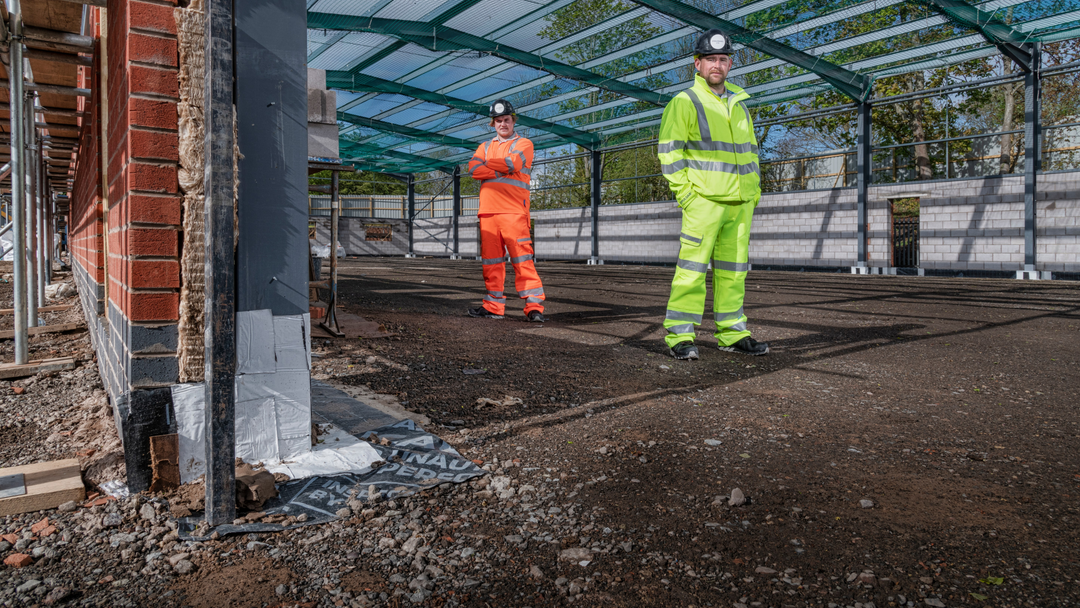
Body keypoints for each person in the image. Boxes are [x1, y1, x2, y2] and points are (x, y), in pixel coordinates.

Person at [657, 29, 769, 360]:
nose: (716, 65)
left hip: (740, 202)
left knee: (734, 273)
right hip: (704, 202)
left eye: (722, 59)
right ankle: (680, 336)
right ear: (697, 64)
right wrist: (688, 196)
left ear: (730, 63)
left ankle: (733, 333)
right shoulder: (684, 102)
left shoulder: (740, 104)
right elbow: (669, 153)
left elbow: (751, 153)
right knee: (692, 270)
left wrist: (754, 193)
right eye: (709, 60)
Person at [466, 99, 547, 322]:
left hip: (513, 212)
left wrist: (489, 165)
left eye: (507, 120)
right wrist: (500, 169)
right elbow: (473, 169)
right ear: (493, 124)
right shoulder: (484, 146)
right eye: (499, 120)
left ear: (513, 121)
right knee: (491, 261)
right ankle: (493, 306)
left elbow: (514, 164)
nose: (503, 124)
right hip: (488, 212)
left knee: (522, 259)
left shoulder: (525, 144)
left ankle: (534, 308)